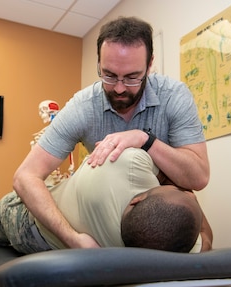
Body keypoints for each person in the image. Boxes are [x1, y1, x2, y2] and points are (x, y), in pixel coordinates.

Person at [12, 16, 210, 249]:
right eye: (109, 75)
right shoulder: (83, 106)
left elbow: (198, 177)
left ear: (150, 65)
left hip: (153, 218)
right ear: (98, 63)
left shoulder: (173, 96)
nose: (119, 88)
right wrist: (73, 239)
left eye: (132, 77)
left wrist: (145, 140)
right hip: (90, 216)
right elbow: (25, 177)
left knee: (206, 240)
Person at [0, 148, 212, 254]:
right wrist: (190, 201)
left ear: (137, 200)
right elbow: (207, 238)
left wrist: (183, 190)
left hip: (27, 221)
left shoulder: (128, 163)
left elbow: (176, 173)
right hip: (52, 248)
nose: (182, 189)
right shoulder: (168, 248)